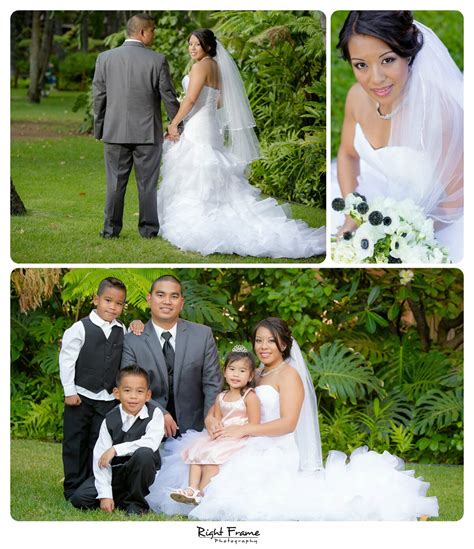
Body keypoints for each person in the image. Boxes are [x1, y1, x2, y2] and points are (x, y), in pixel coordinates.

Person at [146, 317, 439, 520]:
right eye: (258, 340)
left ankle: (201, 495)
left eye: (270, 341)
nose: (262, 347)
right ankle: (195, 493)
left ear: (283, 344)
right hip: (245, 437)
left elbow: (288, 423)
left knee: (235, 484)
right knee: (199, 454)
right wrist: (214, 420)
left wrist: (245, 430)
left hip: (275, 446)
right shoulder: (256, 373)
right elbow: (229, 402)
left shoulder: (290, 376)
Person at [156, 28, 326, 258]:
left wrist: (174, 122)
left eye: (196, 44)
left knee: (197, 169)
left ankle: (202, 218)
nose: (192, 48)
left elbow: (192, 99)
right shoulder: (216, 67)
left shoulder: (200, 67)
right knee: (210, 169)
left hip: (199, 127)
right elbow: (217, 103)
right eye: (190, 44)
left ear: (207, 46)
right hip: (209, 126)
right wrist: (194, 108)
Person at [332, 11, 463, 261]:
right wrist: (352, 212)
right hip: (381, 201)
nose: (376, 78)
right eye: (361, 65)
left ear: (408, 54)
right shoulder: (356, 97)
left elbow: (459, 198)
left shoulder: (438, 112)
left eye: (388, 60)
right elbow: (347, 154)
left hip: (442, 217)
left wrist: (403, 234)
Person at [93, 13, 180, 239]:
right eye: (152, 31)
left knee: (114, 183)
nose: (154, 35)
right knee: (147, 185)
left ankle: (110, 230)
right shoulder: (157, 60)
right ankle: (149, 230)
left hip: (114, 132)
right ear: (142, 32)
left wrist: (100, 128)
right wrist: (178, 124)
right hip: (147, 133)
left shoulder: (104, 58)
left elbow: (99, 97)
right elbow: (168, 97)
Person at [121, 274, 222, 438]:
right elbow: (128, 386)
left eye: (174, 296)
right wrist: (160, 413)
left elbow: (212, 384)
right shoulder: (132, 340)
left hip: (195, 428)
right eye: (160, 295)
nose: (167, 301)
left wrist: (209, 419)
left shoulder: (202, 335)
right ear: (149, 299)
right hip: (147, 427)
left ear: (181, 303)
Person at [59, 277, 127, 500]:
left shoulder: (121, 329)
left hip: (107, 398)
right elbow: (67, 360)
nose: (112, 307)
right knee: (74, 442)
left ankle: (90, 485)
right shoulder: (80, 328)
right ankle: (72, 487)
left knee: (98, 441)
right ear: (96, 299)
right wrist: (70, 391)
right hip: (81, 395)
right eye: (108, 300)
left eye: (118, 303)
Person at [168, 347, 260, 504]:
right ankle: (192, 488)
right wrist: (215, 428)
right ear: (224, 372)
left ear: (250, 376)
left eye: (242, 371)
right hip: (220, 435)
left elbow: (254, 424)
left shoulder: (249, 396)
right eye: (232, 369)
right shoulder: (221, 396)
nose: (236, 374)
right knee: (196, 451)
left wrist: (238, 432)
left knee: (212, 459)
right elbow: (216, 418)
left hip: (237, 437)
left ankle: (201, 494)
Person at [69, 365, 164, 515]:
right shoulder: (109, 419)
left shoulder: (155, 414)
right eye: (127, 391)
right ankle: (120, 498)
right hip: (117, 473)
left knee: (144, 453)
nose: (133, 396)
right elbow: (100, 457)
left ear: (147, 395)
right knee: (79, 499)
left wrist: (115, 449)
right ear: (116, 393)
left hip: (142, 472)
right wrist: (105, 495)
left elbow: (151, 443)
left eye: (139, 391)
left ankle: (136, 503)